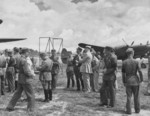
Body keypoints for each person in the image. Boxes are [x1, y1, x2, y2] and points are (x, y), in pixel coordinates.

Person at [122, 48, 143, 114]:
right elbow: (140, 71)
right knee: (136, 96)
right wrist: (141, 79)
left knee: (128, 97)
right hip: (135, 80)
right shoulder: (137, 61)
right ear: (132, 53)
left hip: (128, 80)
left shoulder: (124, 62)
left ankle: (129, 111)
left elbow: (123, 74)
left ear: (127, 54)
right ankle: (137, 110)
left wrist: (124, 81)